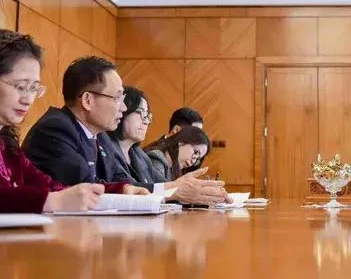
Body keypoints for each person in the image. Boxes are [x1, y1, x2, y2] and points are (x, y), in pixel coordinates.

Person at [0, 30, 137, 213]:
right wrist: (51, 201)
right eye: (20, 87)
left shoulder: (4, 142)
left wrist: (120, 190)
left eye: (34, 88)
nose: (28, 99)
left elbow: (48, 185)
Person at [24, 57, 228, 205]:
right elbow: (88, 187)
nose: (123, 107)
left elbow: (122, 182)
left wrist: (175, 188)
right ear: (88, 100)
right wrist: (172, 191)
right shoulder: (56, 129)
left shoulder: (100, 135)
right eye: (117, 98)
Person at [106, 86, 170, 187]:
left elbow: (165, 185)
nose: (146, 121)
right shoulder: (106, 148)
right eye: (141, 112)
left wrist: (184, 186)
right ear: (122, 111)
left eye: (148, 115)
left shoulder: (140, 155)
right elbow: (131, 187)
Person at [145, 126, 210, 181]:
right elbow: (160, 193)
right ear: (182, 141)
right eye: (196, 152)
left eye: (197, 159)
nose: (193, 161)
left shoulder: (173, 169)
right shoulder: (157, 158)